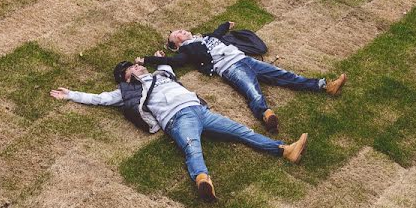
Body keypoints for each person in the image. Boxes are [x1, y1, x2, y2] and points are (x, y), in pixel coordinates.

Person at [50, 58, 309, 201]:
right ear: (126, 77)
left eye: (137, 64)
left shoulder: (161, 75)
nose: (138, 66)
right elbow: (100, 98)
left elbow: (167, 67)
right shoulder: (127, 91)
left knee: (241, 131)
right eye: (132, 67)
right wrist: (71, 94)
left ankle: (284, 149)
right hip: (176, 119)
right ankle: (202, 180)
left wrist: (159, 60)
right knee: (192, 148)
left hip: (200, 110)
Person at [136, 21, 346, 133]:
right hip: (230, 67)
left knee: (284, 75)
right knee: (252, 91)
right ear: (177, 44)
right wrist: (148, 60)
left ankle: (323, 86)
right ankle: (266, 115)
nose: (183, 31)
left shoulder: (205, 37)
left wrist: (226, 25)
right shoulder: (187, 51)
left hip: (245, 59)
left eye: (181, 29)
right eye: (178, 34)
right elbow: (177, 62)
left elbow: (216, 34)